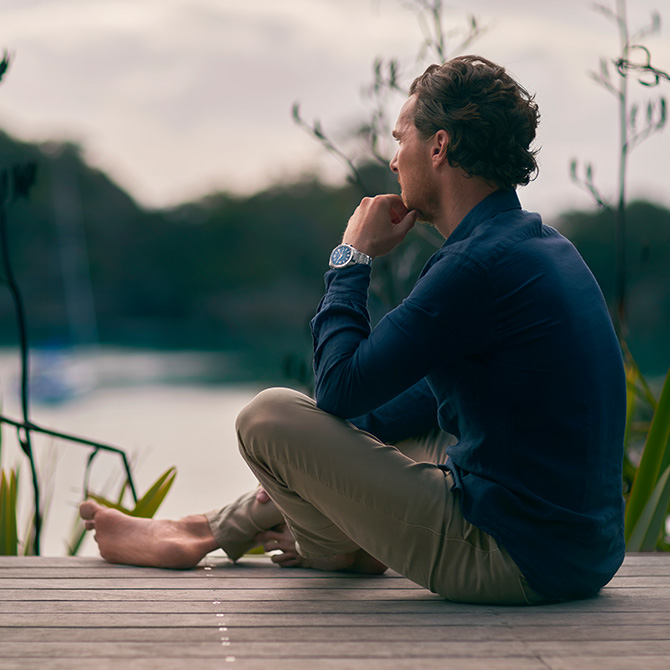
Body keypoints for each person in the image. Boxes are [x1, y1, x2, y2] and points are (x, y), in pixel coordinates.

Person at [80, 55, 626, 605]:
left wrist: (352, 257)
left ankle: (325, 548)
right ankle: (210, 529)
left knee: (266, 417)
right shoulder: (539, 247)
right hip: (582, 554)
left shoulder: (473, 268)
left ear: (438, 147)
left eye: (400, 138)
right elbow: (390, 406)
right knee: (398, 426)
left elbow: (338, 389)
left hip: (515, 561)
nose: (393, 161)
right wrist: (313, 476)